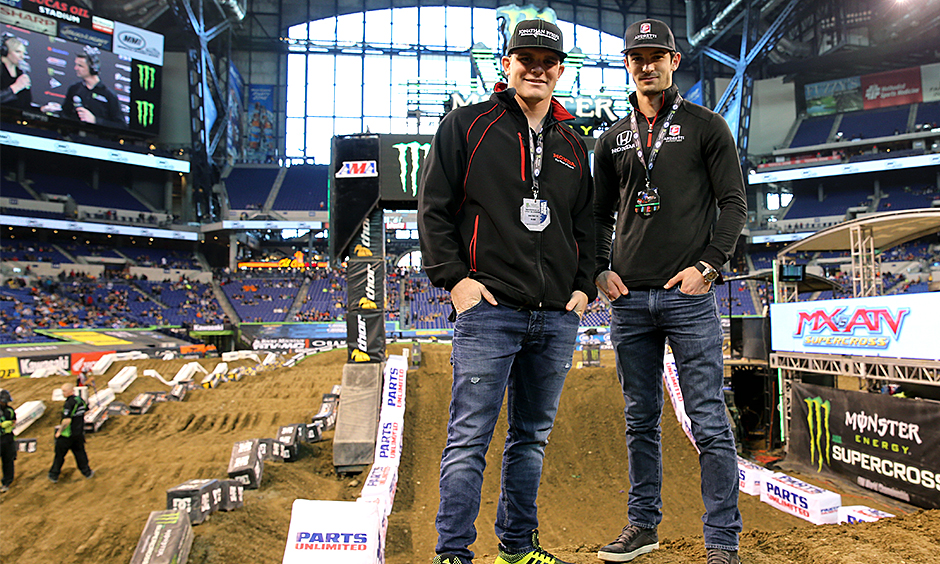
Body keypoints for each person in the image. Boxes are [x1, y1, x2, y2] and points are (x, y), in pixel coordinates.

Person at [417, 19, 595, 564]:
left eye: (548, 62)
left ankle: (517, 549)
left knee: (531, 440)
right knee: (469, 437)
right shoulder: (467, 125)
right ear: (506, 65)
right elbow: (434, 207)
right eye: (526, 60)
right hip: (489, 310)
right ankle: (453, 553)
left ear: (561, 72)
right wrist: (455, 279)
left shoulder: (572, 141)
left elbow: (586, 224)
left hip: (556, 316)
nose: (536, 69)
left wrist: (584, 287)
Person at [592, 19, 747, 564]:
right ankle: (644, 525)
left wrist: (709, 264)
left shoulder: (707, 126)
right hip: (629, 300)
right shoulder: (612, 138)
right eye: (637, 57)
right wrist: (596, 270)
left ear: (674, 61)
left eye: (657, 55)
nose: (647, 64)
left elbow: (734, 203)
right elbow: (595, 214)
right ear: (627, 65)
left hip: (689, 296)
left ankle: (722, 541)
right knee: (640, 419)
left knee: (707, 417)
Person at [59, 46, 125, 128]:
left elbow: (121, 125)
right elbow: (64, 114)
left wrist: (95, 121)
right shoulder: (74, 89)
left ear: (93, 68)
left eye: (80, 66)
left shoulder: (109, 95)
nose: (76, 68)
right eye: (76, 65)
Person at [48, 383, 94, 483]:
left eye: (64, 391)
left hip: (67, 434)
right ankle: (87, 472)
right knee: (80, 453)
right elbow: (86, 411)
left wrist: (59, 432)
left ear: (70, 391)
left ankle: (54, 475)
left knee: (59, 455)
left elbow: (67, 420)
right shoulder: (80, 400)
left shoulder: (69, 403)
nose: (63, 393)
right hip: (79, 433)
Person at [0, 32, 32, 110]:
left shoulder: (20, 73)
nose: (22, 56)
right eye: (17, 52)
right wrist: (15, 87)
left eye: (23, 53)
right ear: (5, 51)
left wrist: (41, 110)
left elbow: (25, 105)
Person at [0, 389, 16, 493]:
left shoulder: (9, 410)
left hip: (8, 439)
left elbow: (14, 420)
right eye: (3, 401)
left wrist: (9, 425)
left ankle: (7, 482)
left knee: (8, 461)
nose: (5, 403)